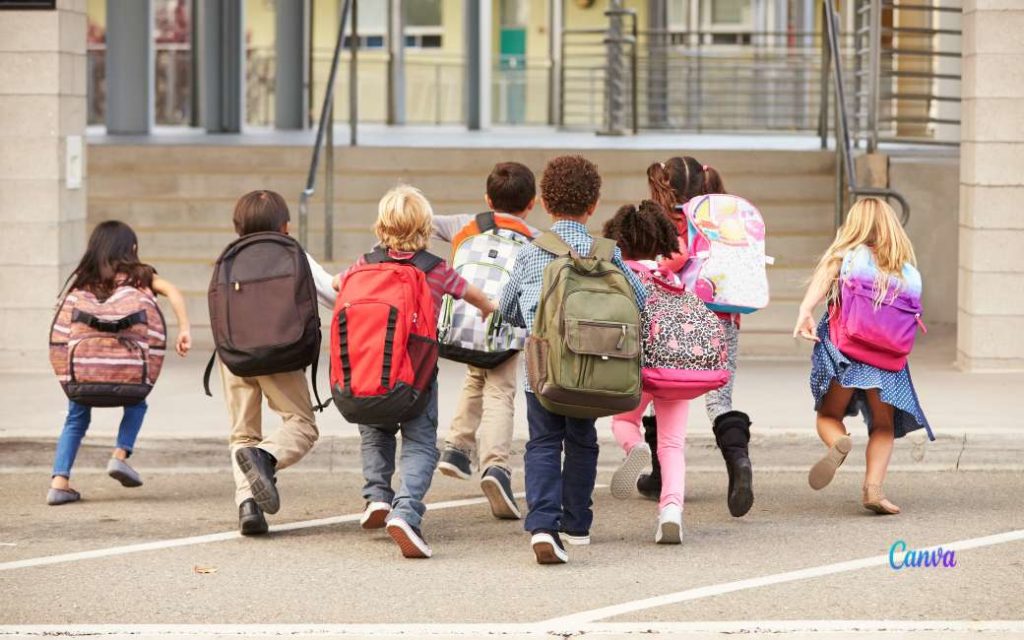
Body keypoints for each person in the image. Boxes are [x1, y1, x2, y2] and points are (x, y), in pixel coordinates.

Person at [500, 155, 647, 564]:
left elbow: (507, 307)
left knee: (543, 442)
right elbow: (641, 303)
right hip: (594, 368)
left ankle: (544, 525)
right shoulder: (608, 254)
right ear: (593, 204)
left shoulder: (532, 253)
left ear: (545, 203)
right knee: (582, 442)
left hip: (544, 372)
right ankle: (577, 524)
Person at [337, 185, 497, 558]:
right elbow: (472, 294)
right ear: (425, 228)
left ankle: (377, 496)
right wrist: (489, 307)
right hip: (416, 378)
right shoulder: (435, 270)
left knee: (375, 432)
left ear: (381, 226)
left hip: (371, 372)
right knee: (421, 442)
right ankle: (406, 511)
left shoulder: (364, 264)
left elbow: (335, 284)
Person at [793, 197, 932, 515]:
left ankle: (838, 442)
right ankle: (874, 490)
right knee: (883, 426)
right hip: (888, 359)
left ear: (854, 225)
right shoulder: (905, 270)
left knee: (829, 416)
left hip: (847, 351)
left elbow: (826, 274)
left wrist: (805, 311)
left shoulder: (847, 257)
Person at [47, 221, 192, 506]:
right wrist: (184, 328)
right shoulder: (141, 276)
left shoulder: (82, 279)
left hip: (85, 372)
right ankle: (120, 455)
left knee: (76, 418)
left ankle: (59, 482)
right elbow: (173, 291)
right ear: (132, 249)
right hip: (129, 373)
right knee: (137, 403)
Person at [218, 190, 337, 535]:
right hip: (280, 354)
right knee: (301, 425)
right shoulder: (292, 253)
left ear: (237, 225)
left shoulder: (229, 257)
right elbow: (333, 295)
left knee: (243, 434)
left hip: (234, 355)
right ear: (285, 225)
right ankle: (266, 458)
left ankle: (248, 506)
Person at [643, 157, 754, 519]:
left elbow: (667, 263)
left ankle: (662, 475)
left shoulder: (666, 223)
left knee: (662, 391)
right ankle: (738, 461)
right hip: (722, 317)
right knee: (720, 400)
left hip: (676, 318)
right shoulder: (721, 221)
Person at [433, 162, 539, 520]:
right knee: (500, 392)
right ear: (532, 203)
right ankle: (496, 467)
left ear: (487, 199)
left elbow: (423, 221)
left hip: (463, 321)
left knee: (476, 375)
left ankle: (457, 447)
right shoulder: (534, 238)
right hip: (503, 326)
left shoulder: (465, 224)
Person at [603, 201, 694, 544]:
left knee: (624, 421)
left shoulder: (619, 275)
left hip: (633, 367)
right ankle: (671, 511)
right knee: (672, 444)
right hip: (674, 370)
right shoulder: (670, 278)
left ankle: (635, 446)